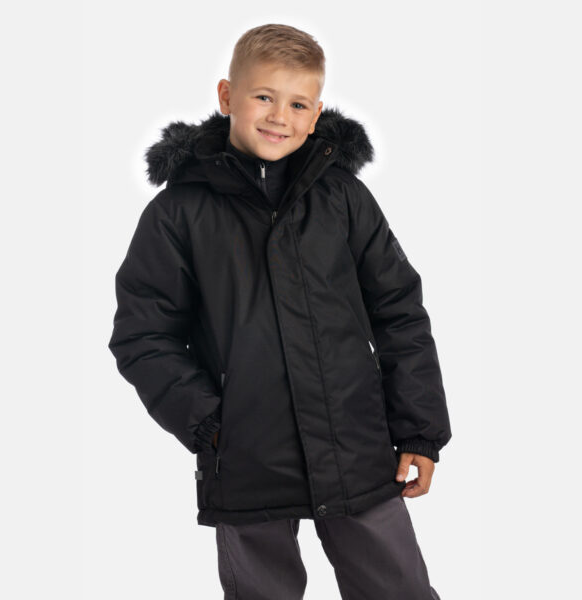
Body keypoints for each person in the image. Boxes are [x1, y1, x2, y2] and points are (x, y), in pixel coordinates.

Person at [108, 23, 452, 600]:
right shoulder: (178, 213)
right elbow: (143, 335)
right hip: (247, 456)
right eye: (263, 96)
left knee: (399, 590)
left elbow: (398, 311)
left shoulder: (342, 198)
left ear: (315, 115)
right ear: (227, 96)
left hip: (357, 447)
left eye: (297, 104)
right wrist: (210, 424)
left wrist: (419, 428)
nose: (278, 117)